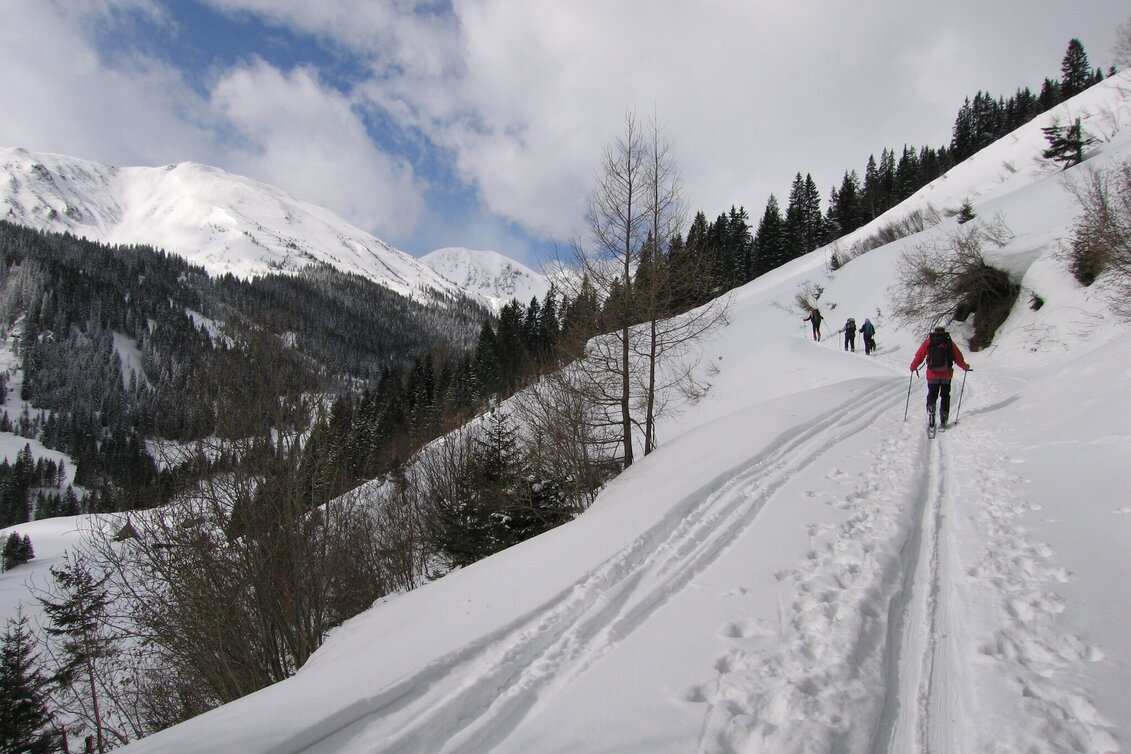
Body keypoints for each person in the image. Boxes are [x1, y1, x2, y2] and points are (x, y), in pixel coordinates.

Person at [909, 326, 971, 428]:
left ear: (935, 332)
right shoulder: (949, 342)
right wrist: (965, 367)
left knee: (932, 394)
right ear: (944, 332)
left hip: (932, 374)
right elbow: (958, 357)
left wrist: (913, 367)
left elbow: (919, 356)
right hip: (946, 375)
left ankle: (931, 409)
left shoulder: (928, 342)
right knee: (945, 396)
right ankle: (944, 417)